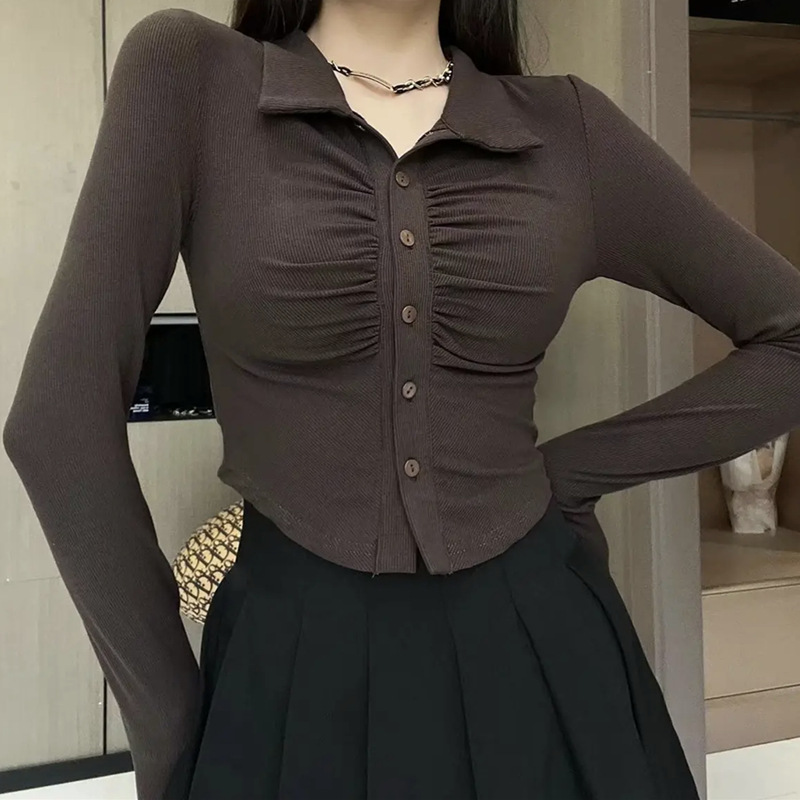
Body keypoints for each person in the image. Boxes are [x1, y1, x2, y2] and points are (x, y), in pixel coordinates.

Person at [5, 0, 800, 797]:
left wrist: (572, 472)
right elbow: (56, 422)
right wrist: (175, 735)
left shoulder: (567, 128)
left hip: (548, 656)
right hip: (289, 676)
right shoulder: (193, 76)